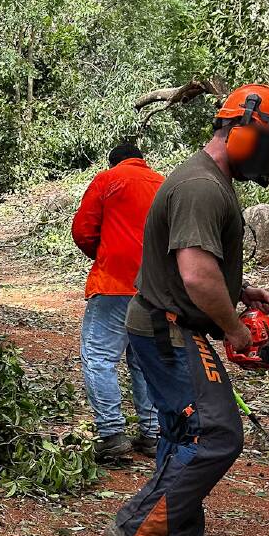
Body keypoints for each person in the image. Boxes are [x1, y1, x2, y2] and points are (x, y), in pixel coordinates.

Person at [104, 84, 269, 536]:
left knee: (183, 432)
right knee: (215, 433)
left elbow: (199, 267)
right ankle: (137, 529)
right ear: (241, 130)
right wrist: (235, 330)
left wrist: (240, 292)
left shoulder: (209, 180)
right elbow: (195, 275)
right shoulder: (201, 186)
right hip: (168, 330)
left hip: (162, 324)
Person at [71, 142, 163, 460]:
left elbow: (83, 230)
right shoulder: (163, 183)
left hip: (114, 285)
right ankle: (152, 434)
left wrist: (104, 257)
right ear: (141, 159)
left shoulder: (108, 180)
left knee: (98, 357)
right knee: (144, 360)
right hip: (155, 289)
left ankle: (112, 435)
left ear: (114, 162)